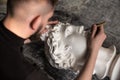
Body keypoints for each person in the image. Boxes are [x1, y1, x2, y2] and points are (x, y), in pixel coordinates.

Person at [0, 0, 106, 80]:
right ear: (36, 21)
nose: (48, 22)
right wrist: (94, 51)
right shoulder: (22, 72)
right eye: (47, 18)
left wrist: (32, 34)